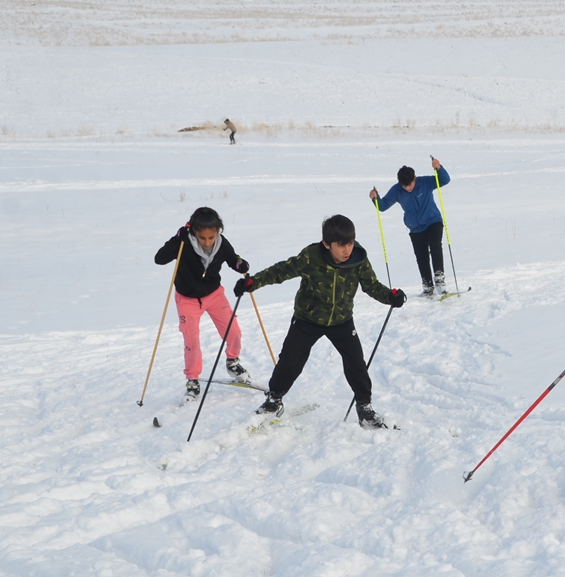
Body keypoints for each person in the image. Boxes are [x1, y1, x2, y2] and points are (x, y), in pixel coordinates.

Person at [235, 215, 407, 427]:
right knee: (290, 360)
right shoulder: (311, 257)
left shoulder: (358, 260)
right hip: (307, 319)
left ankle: (365, 408)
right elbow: (281, 271)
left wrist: (390, 296)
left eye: (350, 243)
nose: (347, 250)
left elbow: (372, 286)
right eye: (341, 245)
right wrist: (253, 282)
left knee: (356, 363)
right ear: (327, 244)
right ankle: (274, 400)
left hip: (341, 320)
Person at [154, 207, 252, 402]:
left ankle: (232, 361)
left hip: (214, 295)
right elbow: (160, 259)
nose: (207, 243)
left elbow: (233, 260)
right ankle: (192, 381)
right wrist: (176, 239)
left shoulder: (221, 244)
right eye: (202, 238)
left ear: (218, 232)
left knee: (234, 331)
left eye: (211, 237)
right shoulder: (183, 243)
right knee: (192, 342)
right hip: (187, 300)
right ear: (194, 233)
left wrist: (241, 264)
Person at [371, 157, 452, 297]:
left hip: (433, 221)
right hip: (415, 228)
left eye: (410, 184)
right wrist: (375, 198)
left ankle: (440, 281)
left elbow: (445, 180)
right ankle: (427, 287)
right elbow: (383, 206)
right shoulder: (396, 190)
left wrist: (439, 168)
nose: (408, 188)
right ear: (399, 183)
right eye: (405, 186)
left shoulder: (425, 182)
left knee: (435, 247)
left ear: (415, 177)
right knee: (421, 257)